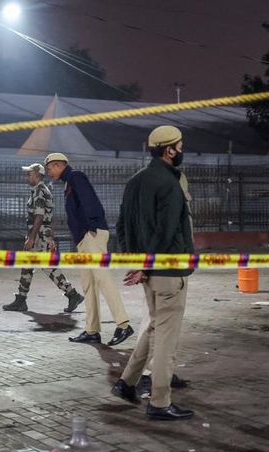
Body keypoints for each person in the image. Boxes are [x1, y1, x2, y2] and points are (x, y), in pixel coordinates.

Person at [111, 125, 195, 421]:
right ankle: (160, 402)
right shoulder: (170, 184)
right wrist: (145, 265)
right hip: (168, 270)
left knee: (154, 326)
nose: (182, 151)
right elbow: (166, 230)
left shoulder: (136, 181)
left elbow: (122, 225)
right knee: (166, 341)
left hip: (148, 271)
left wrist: (135, 262)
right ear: (169, 150)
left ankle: (126, 382)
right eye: (180, 146)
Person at [44, 152, 134, 346]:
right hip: (84, 240)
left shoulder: (76, 176)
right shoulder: (68, 183)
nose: (48, 172)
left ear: (59, 165)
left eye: (49, 168)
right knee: (88, 284)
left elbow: (90, 202)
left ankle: (123, 324)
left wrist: (93, 227)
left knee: (102, 279)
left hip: (91, 235)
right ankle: (92, 330)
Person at [135, 166, 193, 398]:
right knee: (155, 324)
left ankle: (160, 372)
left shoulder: (155, 194)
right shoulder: (166, 196)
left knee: (161, 325)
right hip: (166, 270)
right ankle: (151, 376)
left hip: (169, 268)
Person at [2, 162, 84, 313]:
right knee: (27, 264)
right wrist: (50, 237)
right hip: (41, 233)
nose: (28, 176)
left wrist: (32, 238)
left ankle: (73, 294)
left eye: (30, 173)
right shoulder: (40, 190)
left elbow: (39, 217)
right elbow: (50, 218)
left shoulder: (40, 190)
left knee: (47, 266)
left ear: (37, 175)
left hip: (38, 234)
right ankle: (21, 300)